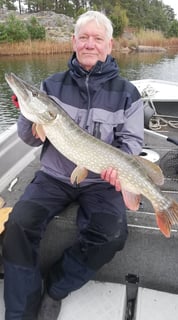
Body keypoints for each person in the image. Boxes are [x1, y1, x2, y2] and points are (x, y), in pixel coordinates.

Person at [2, 10, 144, 320]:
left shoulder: (128, 94)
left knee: (111, 235)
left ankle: (56, 286)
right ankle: (21, 310)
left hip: (101, 180)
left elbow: (132, 143)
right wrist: (27, 112)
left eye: (97, 38)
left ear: (109, 44)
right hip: (54, 175)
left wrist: (115, 169)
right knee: (18, 226)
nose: (89, 44)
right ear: (74, 41)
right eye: (83, 37)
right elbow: (30, 139)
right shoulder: (50, 86)